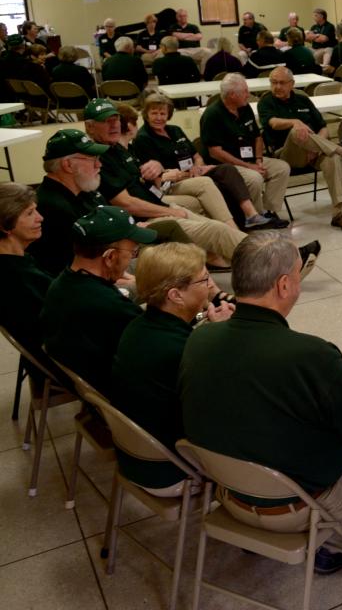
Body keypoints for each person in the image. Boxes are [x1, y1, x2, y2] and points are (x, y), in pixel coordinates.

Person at [179, 232, 342, 574]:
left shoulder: (199, 337)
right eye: (298, 273)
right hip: (299, 509)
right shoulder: (311, 355)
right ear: (283, 285)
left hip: (229, 496)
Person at [110, 243, 234, 495]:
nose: (211, 286)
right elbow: (228, 408)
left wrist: (209, 332)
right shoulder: (187, 351)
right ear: (176, 295)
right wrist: (225, 338)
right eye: (205, 279)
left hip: (137, 459)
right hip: (172, 471)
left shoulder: (136, 327)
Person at [86, 98, 252, 269]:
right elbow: (126, 204)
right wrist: (170, 210)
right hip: (147, 218)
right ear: (90, 127)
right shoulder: (98, 158)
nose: (114, 126)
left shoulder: (118, 149)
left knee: (214, 221)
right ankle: (262, 258)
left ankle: (248, 253)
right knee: (216, 230)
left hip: (160, 203)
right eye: (107, 122)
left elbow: (151, 182)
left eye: (116, 120)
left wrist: (157, 169)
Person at [42, 206, 155, 396]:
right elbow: (157, 348)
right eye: (133, 252)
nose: (132, 259)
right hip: (127, 397)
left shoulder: (62, 283)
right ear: (110, 257)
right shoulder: (109, 306)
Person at [133, 92, 271, 230]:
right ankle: (231, 229)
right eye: (154, 113)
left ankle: (251, 215)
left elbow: (197, 156)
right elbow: (159, 178)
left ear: (168, 114)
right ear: (146, 114)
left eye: (162, 114)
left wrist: (198, 167)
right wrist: (187, 174)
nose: (158, 118)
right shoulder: (143, 138)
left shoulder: (175, 130)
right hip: (172, 183)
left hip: (193, 174)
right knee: (210, 183)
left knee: (227, 169)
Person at [259, 66, 342, 230]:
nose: (277, 87)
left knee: (333, 158)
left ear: (292, 84)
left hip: (315, 151)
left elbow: (323, 127)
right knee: (297, 131)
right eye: (273, 82)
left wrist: (316, 148)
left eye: (282, 83)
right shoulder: (266, 101)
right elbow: (273, 123)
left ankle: (338, 213)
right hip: (287, 155)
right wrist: (294, 122)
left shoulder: (302, 100)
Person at [200, 73, 292, 226]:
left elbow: (257, 137)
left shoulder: (244, 107)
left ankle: (268, 212)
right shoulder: (212, 115)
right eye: (244, 92)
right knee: (254, 178)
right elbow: (215, 152)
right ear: (231, 95)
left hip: (250, 159)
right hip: (226, 165)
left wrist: (258, 160)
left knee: (282, 168)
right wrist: (249, 166)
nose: (248, 95)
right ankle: (254, 218)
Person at [0, 183, 66, 390]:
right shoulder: (15, 277)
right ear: (5, 225)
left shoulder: (18, 260)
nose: (40, 218)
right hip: (65, 365)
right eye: (30, 213)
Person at [29, 129, 109, 275]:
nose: (99, 165)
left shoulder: (85, 191)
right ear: (68, 165)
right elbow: (77, 270)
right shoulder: (51, 208)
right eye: (92, 158)